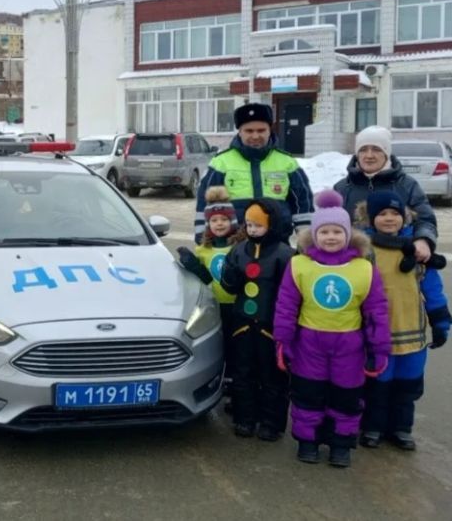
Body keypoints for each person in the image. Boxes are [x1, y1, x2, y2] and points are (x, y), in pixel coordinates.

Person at [273, 190, 390, 468]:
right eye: (324, 231)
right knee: (308, 394)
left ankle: (341, 443)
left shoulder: (363, 268)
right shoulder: (300, 265)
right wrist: (283, 340)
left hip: (349, 345)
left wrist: (379, 347)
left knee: (346, 396)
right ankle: (308, 441)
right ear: (314, 235)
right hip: (308, 342)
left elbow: (376, 311)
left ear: (348, 234)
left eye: (337, 231)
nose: (330, 237)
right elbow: (286, 305)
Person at [354, 191, 450, 451]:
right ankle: (373, 426)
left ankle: (401, 428)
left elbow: (432, 289)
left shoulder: (417, 251)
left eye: (395, 214)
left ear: (405, 217)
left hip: (412, 333)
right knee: (378, 385)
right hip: (378, 333)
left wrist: (441, 321)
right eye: (382, 214)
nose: (388, 219)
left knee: (407, 385)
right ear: (370, 218)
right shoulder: (365, 251)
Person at [219, 199, 295, 441]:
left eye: (258, 225)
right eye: (249, 225)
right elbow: (229, 287)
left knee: (273, 377)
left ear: (271, 225)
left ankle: (271, 423)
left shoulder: (284, 254)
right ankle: (244, 419)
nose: (252, 230)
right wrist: (231, 275)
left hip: (270, 326)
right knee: (242, 374)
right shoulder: (239, 250)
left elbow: (292, 294)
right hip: (241, 324)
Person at [195, 102, 314, 242]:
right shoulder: (221, 162)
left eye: (261, 130)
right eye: (249, 131)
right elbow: (205, 202)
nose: (256, 136)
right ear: (240, 131)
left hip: (277, 241)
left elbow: (303, 202)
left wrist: (306, 239)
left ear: (270, 130)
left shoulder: (287, 162)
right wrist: (202, 236)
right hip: (234, 243)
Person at [334, 126, 438, 264]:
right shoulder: (342, 187)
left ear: (386, 153)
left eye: (376, 149)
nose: (369, 155)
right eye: (363, 150)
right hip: (353, 263)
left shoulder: (406, 185)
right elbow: (329, 224)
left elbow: (425, 219)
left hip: (397, 262)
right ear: (357, 154)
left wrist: (423, 240)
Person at [176, 187, 240, 395]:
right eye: (214, 220)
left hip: (239, 306)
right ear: (208, 224)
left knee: (236, 347)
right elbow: (204, 278)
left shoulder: (240, 248)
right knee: (218, 345)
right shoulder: (204, 250)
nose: (219, 223)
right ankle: (219, 379)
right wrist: (191, 263)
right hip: (216, 306)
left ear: (232, 221)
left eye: (224, 219)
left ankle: (234, 384)